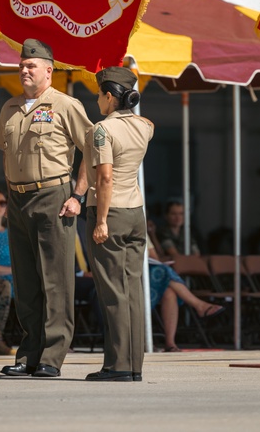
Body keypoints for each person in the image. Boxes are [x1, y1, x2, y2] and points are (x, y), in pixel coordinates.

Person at [0, 39, 92, 379]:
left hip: (54, 196)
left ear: (49, 70)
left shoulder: (66, 105)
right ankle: (29, 354)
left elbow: (91, 152)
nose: (23, 70)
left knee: (56, 280)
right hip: (18, 199)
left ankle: (52, 355)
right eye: (21, 65)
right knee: (26, 280)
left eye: (30, 65)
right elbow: (5, 153)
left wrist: (78, 196)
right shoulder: (9, 108)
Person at [83, 66, 154, 382]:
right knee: (132, 290)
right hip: (136, 214)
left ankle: (118, 365)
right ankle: (133, 364)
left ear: (110, 96)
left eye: (100, 94)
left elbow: (105, 176)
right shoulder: (145, 126)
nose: (98, 100)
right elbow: (147, 125)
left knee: (112, 291)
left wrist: (100, 221)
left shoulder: (102, 130)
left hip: (109, 212)